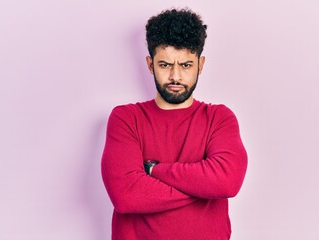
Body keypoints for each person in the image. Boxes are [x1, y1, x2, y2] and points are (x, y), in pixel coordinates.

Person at [101, 8, 248, 240]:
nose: (176, 77)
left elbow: (228, 181)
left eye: (186, 65)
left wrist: (152, 170)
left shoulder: (219, 118)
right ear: (150, 65)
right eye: (165, 65)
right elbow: (125, 195)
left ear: (200, 64)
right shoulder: (126, 118)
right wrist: (204, 189)